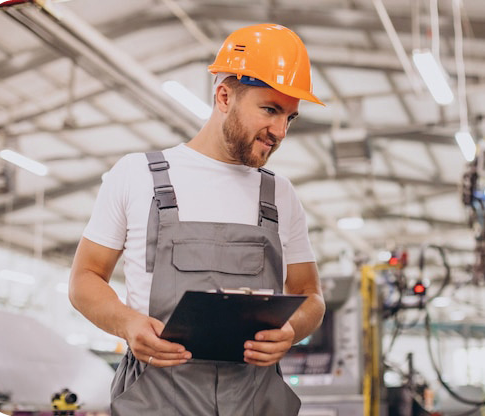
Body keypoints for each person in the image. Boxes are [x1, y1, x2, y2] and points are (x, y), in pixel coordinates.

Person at [69, 23, 326, 416]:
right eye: (270, 109)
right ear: (224, 96)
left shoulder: (281, 195)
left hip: (255, 402)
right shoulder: (136, 175)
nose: (279, 131)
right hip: (156, 400)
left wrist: (292, 331)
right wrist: (128, 324)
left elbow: (311, 295)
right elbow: (85, 278)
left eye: (290, 117)